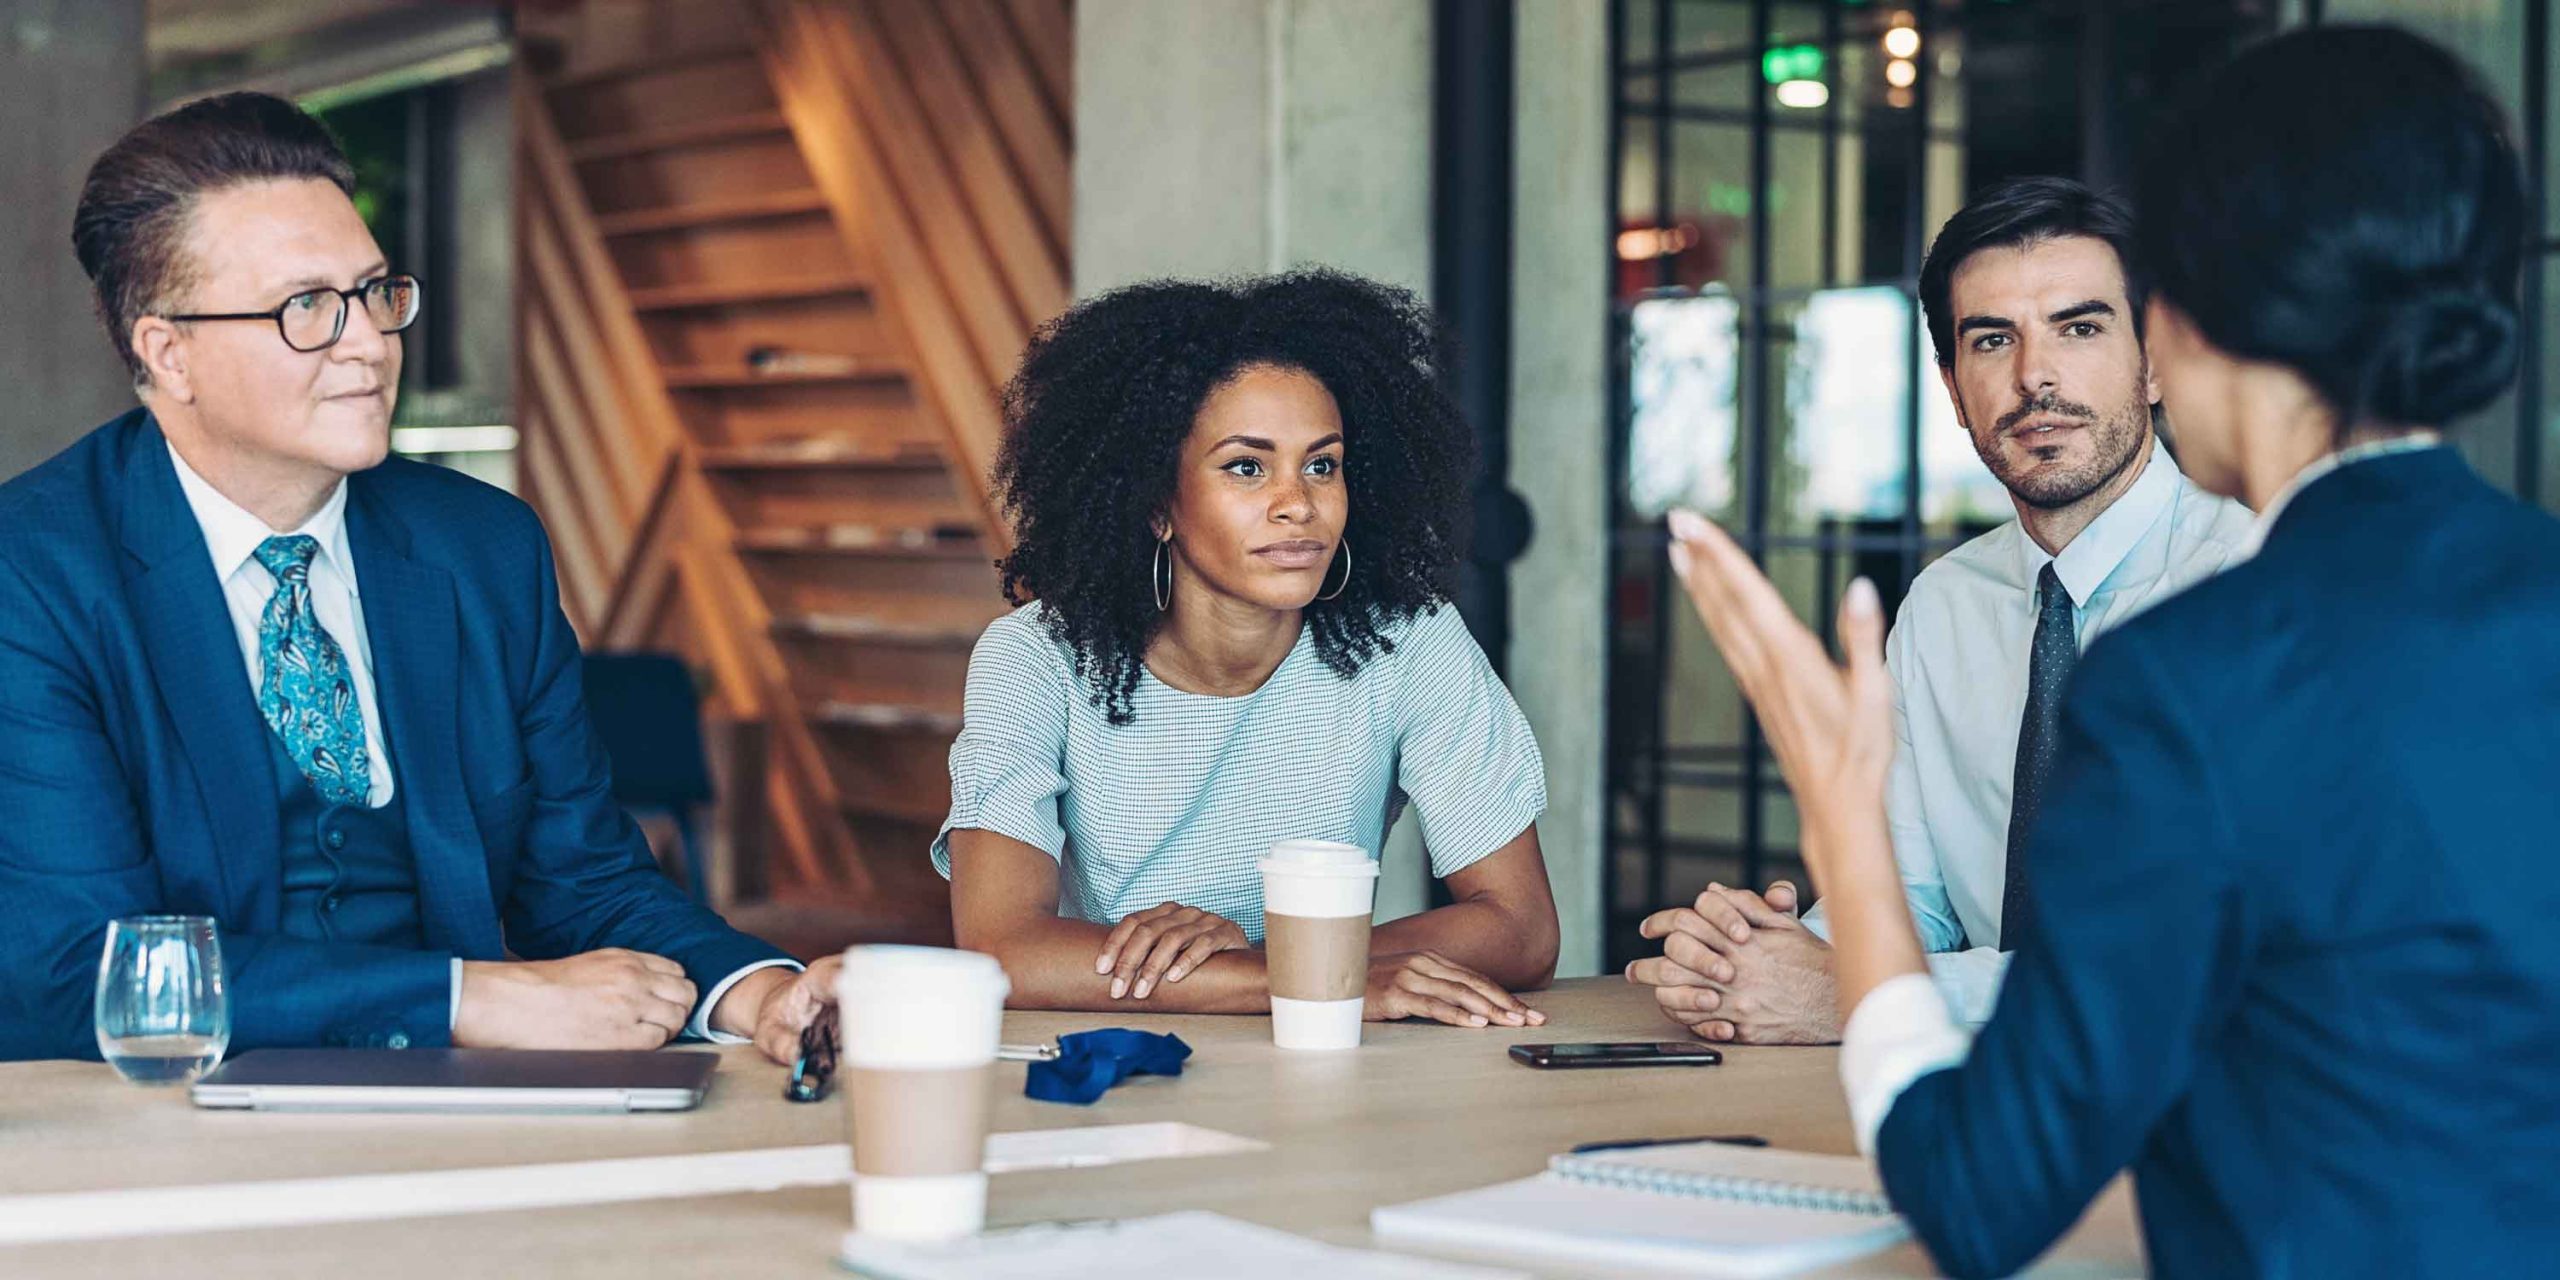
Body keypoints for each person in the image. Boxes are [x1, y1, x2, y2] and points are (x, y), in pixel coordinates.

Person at [1664, 26, 2560, 1277]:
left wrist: (1841, 824)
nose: (2040, 373)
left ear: (2175, 332)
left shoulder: (2195, 667)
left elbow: (1981, 1196)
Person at [0, 92, 834, 1066]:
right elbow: (81, 966)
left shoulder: (482, 546)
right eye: (306, 307)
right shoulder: (35, 571)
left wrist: (762, 992)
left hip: (454, 1105)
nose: (369, 342)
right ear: (168, 350)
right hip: (157, 1127)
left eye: (374, 292)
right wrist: (464, 997)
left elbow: (585, 878)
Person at [1626, 179, 2253, 1043]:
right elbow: (1909, 900)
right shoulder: (1946, 605)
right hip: (1974, 1109)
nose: (2035, 376)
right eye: (1992, 340)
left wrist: (1858, 994)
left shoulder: (2253, 592)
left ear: (2155, 363)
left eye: (2080, 327)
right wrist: (1765, 956)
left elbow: (2192, 960)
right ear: (1955, 391)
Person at [937, 269, 1560, 1028]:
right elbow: (1001, 948)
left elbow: (1521, 925)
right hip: (1118, 1066)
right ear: (1158, 503)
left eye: (1322, 465)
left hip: (1318, 1063)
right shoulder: (1035, 660)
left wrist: (1283, 967)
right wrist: (1306, 977)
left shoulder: (1409, 643)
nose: (1298, 503)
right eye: (1246, 466)